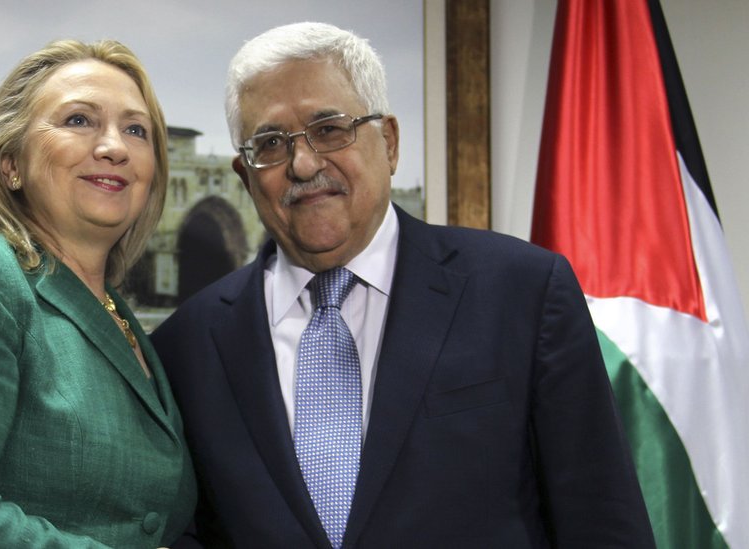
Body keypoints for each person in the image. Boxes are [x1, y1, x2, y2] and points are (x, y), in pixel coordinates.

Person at [152, 22, 656, 548]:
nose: (303, 163)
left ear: (389, 142)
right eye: (271, 143)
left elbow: (602, 523)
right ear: (245, 174)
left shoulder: (522, 294)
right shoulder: (186, 347)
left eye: (330, 129)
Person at [0, 39, 196, 548]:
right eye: (79, 120)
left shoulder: (120, 318)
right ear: (11, 164)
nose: (115, 146)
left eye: (136, 130)